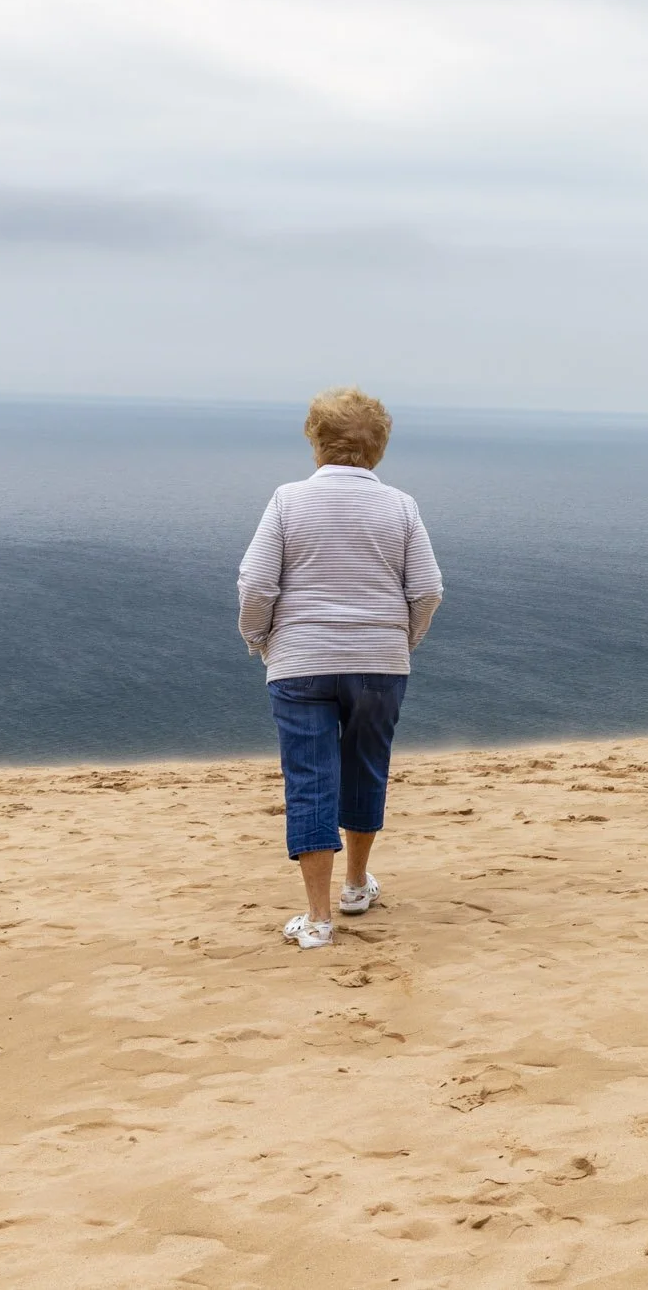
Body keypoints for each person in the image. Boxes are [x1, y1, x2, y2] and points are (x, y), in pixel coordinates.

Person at [237, 388, 443, 950]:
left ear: (317, 443)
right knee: (365, 767)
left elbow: (255, 585)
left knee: (310, 781)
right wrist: (401, 642)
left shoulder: (287, 501)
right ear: (378, 447)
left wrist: (260, 640)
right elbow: (426, 589)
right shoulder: (400, 506)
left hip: (300, 662)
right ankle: (356, 885)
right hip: (379, 664)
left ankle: (318, 919)